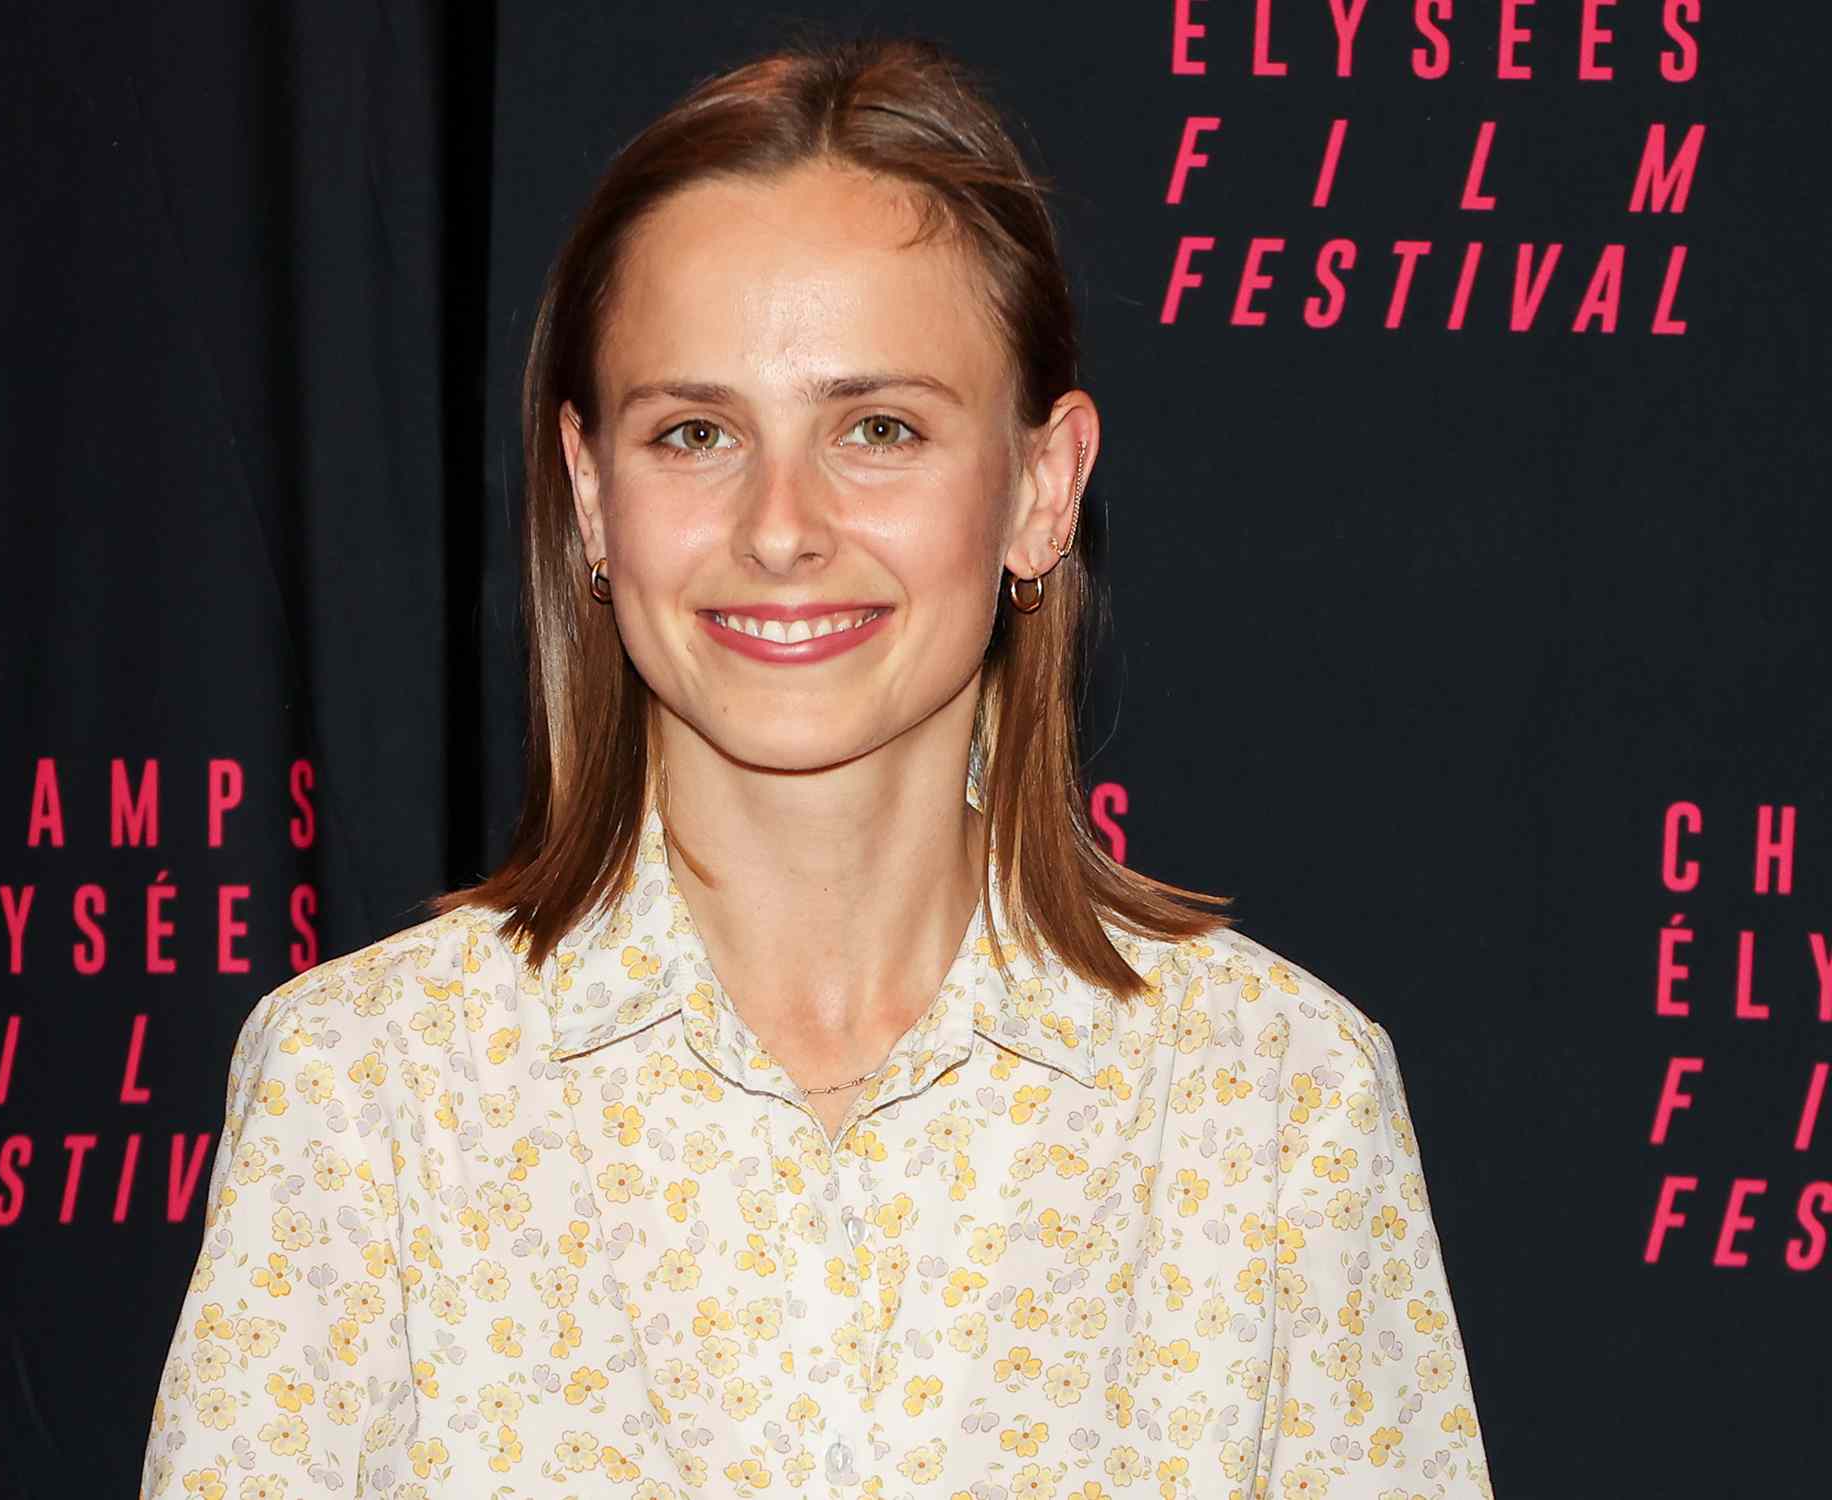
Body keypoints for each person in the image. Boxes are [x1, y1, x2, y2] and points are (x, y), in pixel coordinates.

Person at [139, 34, 1492, 1500]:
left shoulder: (1279, 1103)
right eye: (697, 432)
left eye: (880, 429)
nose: (782, 526)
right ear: (591, 494)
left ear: (1042, 489)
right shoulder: (366, 1096)